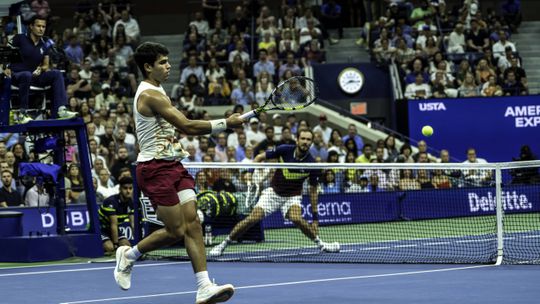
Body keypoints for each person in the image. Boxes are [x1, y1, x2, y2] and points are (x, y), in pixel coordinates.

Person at [113, 42, 242, 304]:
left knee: (193, 223)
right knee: (175, 230)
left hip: (174, 165)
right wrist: (225, 124)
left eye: (167, 61)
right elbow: (187, 126)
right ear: (148, 67)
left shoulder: (159, 90)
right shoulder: (150, 95)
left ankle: (204, 286)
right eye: (162, 62)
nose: (168, 65)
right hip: (154, 169)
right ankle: (128, 255)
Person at [209, 129, 340, 257]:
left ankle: (321, 244)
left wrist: (315, 218)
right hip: (274, 193)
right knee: (252, 219)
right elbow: (259, 157)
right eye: (303, 139)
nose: (305, 142)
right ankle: (223, 245)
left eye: (308, 140)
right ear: (297, 140)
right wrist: (250, 171)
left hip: (292, 196)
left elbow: (312, 191)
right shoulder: (284, 150)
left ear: (311, 142)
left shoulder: (312, 164)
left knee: (296, 218)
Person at [6, 16, 77, 123]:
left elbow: (46, 65)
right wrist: (5, 67)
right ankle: (22, 113)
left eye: (43, 26)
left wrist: (40, 68)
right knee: (26, 75)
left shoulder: (44, 44)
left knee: (57, 73)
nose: (41, 29)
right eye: (38, 26)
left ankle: (61, 109)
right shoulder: (20, 38)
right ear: (31, 26)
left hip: (34, 76)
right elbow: (5, 53)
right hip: (17, 75)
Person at [98, 177, 134, 255]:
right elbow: (113, 225)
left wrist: (139, 243)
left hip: (112, 229)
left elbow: (133, 224)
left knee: (127, 247)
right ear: (120, 189)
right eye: (125, 188)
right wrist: (116, 245)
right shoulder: (111, 202)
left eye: (130, 188)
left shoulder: (131, 203)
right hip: (100, 229)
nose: (128, 191)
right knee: (110, 248)